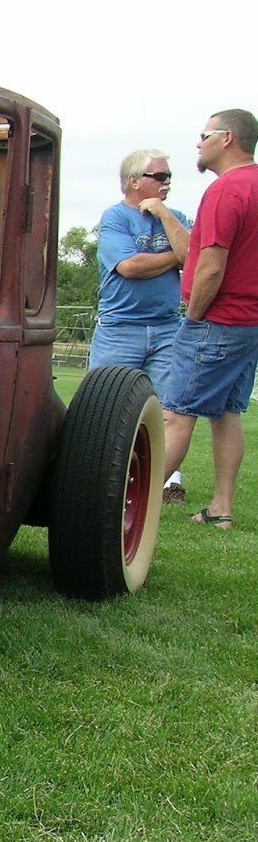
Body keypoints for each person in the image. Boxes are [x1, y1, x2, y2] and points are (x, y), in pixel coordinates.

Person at [160, 109, 258, 528]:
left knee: (176, 414)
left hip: (219, 320)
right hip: (250, 323)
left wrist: (195, 316)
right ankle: (221, 508)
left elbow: (211, 267)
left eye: (203, 135)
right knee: (226, 413)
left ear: (227, 138)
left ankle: (124, 505)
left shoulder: (226, 190)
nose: (198, 144)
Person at [91, 148, 192, 502]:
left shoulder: (175, 216)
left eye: (168, 177)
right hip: (120, 328)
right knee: (107, 408)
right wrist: (174, 258)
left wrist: (164, 214)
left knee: (168, 409)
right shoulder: (115, 218)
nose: (167, 183)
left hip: (168, 329)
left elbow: (193, 257)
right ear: (134, 181)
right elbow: (129, 267)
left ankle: (167, 482)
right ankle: (103, 478)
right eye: (159, 177)